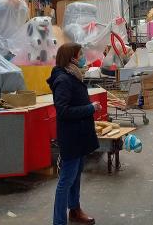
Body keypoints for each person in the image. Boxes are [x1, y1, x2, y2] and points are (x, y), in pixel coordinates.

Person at [47, 43, 101, 225]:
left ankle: (75, 210)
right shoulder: (63, 79)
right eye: (80, 54)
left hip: (80, 135)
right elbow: (63, 111)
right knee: (66, 180)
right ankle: (59, 221)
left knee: (76, 176)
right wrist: (89, 108)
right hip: (71, 137)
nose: (83, 57)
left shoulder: (73, 75)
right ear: (72, 58)